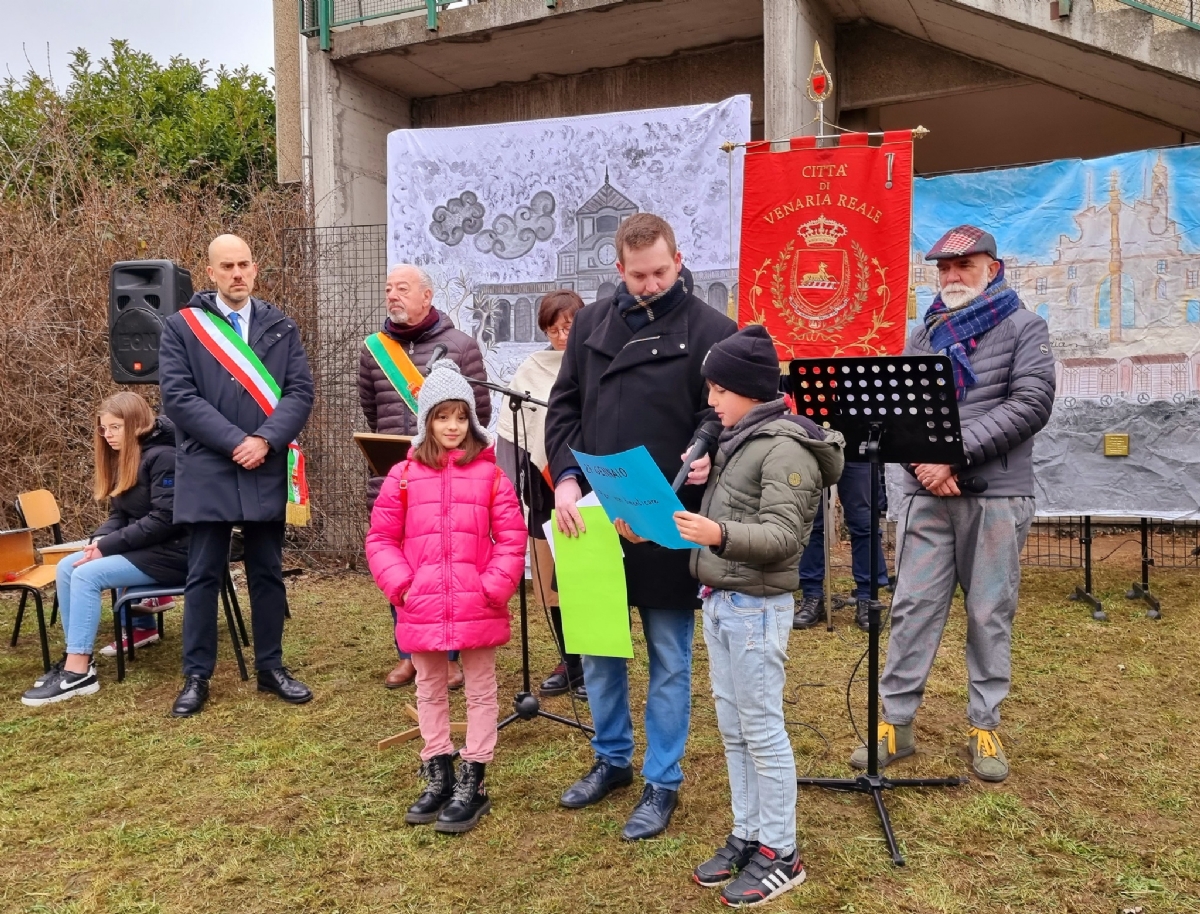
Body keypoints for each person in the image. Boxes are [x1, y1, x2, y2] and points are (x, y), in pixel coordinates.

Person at [546, 213, 736, 841]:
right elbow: (564, 406)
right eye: (637, 275)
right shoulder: (593, 324)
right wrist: (567, 476)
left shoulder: (714, 332)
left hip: (670, 514)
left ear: (678, 261)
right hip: (597, 515)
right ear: (618, 270)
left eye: (660, 272)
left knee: (669, 655)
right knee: (599, 645)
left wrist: (712, 457)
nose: (650, 284)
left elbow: (730, 418)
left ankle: (662, 780)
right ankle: (611, 759)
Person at [641, 325, 843, 905]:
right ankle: (748, 834)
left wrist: (718, 533)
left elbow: (784, 536)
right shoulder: (740, 439)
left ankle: (782, 851)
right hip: (723, 602)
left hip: (756, 608)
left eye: (719, 391)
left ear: (750, 392)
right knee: (733, 728)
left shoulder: (784, 450)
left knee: (762, 729)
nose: (710, 402)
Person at [849, 225, 1055, 783]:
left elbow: (1031, 404)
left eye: (963, 265)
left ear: (994, 266)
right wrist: (923, 463)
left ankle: (984, 723)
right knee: (911, 607)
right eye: (943, 267)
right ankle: (896, 722)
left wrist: (954, 459)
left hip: (995, 496)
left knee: (989, 612)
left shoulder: (1024, 328)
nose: (952, 276)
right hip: (925, 494)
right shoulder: (924, 333)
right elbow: (898, 408)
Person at [365, 360, 526, 834]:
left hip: (477, 604)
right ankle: (438, 769)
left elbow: (512, 539)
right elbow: (380, 539)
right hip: (421, 603)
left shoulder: (492, 476)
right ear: (426, 420)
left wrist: (492, 587)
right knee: (429, 686)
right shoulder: (402, 476)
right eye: (442, 416)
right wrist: (403, 586)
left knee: (480, 689)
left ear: (471, 419)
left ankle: (473, 778)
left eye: (460, 416)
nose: (452, 426)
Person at [159, 233, 315, 718]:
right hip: (210, 464)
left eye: (244, 264)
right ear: (210, 273)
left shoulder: (280, 326)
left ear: (255, 267)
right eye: (227, 267)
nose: (237, 274)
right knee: (203, 572)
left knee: (267, 571)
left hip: (264, 462)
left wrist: (265, 440)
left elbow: (300, 393)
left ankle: (271, 668)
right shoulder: (183, 328)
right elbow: (179, 399)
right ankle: (197, 676)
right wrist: (235, 442)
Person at [359, 263, 491, 691]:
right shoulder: (373, 350)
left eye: (402, 289)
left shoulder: (462, 347)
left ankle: (450, 658)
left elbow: (479, 414)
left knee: (448, 569)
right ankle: (411, 655)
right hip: (396, 482)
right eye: (387, 288)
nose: (392, 295)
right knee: (401, 567)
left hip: (451, 482)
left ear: (426, 297)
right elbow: (372, 412)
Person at [21, 393, 188, 706]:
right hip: (146, 549)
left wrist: (108, 547)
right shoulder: (125, 458)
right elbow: (119, 516)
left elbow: (165, 520)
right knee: (67, 567)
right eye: (104, 428)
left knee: (85, 575)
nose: (108, 435)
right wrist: (97, 541)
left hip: (177, 553)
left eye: (115, 427)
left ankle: (78, 672)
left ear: (136, 425)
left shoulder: (163, 458)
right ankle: (77, 660)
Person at [495, 289, 586, 701]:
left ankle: (595, 661)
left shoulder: (595, 364)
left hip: (587, 484)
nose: (562, 335)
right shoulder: (531, 369)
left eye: (569, 325)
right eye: (553, 327)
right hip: (542, 485)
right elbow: (511, 434)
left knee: (587, 574)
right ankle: (569, 659)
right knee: (552, 579)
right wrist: (505, 486)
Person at [791, 463, 889, 632]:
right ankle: (812, 595)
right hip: (813, 445)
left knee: (864, 522)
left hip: (856, 450)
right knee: (810, 520)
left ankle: (867, 598)